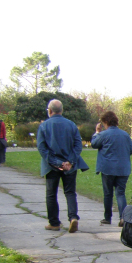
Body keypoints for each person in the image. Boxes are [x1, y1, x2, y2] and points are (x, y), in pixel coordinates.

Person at [37, 99, 89, 233]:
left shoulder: (44, 126)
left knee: (51, 194)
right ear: (62, 110)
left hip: (51, 166)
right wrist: (69, 161)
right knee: (70, 192)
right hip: (69, 166)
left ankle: (54, 223)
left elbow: (42, 148)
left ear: (49, 111)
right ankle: (73, 217)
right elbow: (78, 145)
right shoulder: (71, 125)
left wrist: (57, 163)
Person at [91, 111, 132, 227]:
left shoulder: (103, 134)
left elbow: (94, 144)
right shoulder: (125, 135)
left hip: (108, 168)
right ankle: (122, 218)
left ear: (106, 122)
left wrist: (96, 132)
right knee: (120, 193)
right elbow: (131, 150)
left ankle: (107, 217)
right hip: (123, 168)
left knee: (108, 193)